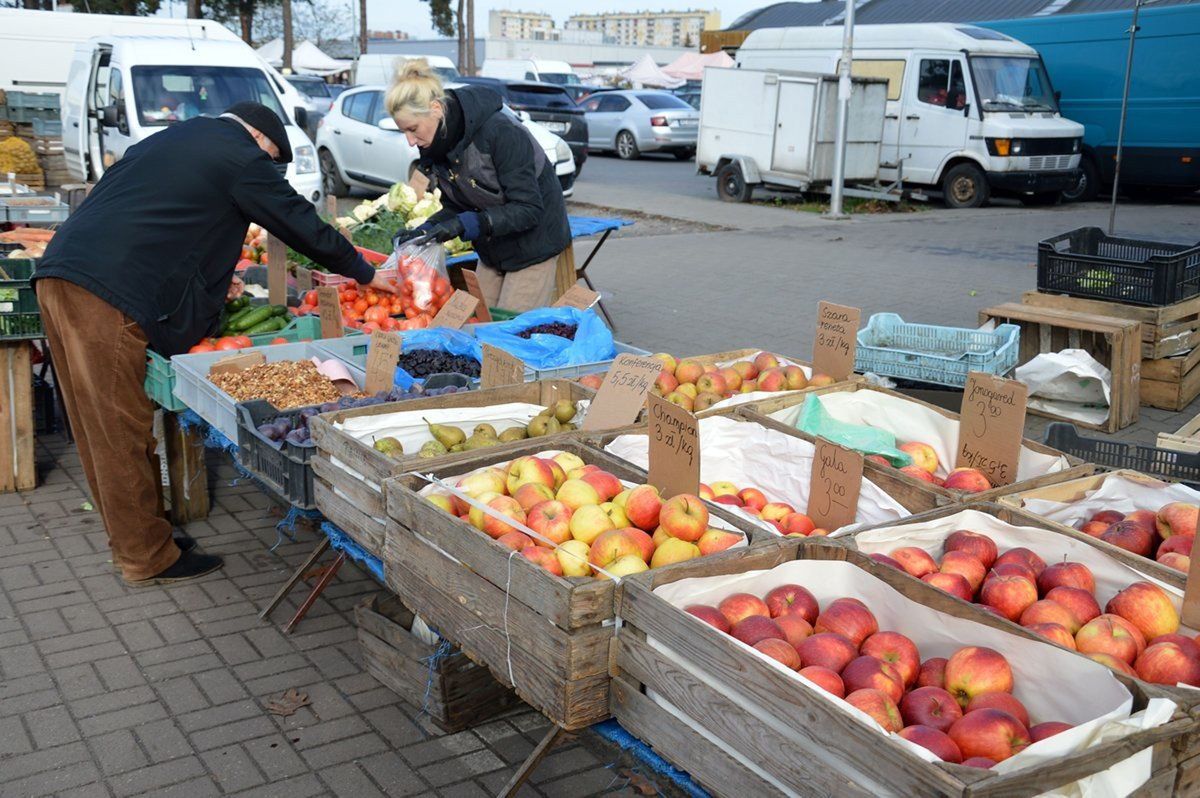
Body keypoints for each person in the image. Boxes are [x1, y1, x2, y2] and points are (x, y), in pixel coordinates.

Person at [34, 102, 393, 587]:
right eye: (272, 159)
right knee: (118, 433)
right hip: (104, 295)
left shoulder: (177, 137)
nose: (268, 168)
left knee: (95, 426)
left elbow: (165, 225)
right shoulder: (240, 155)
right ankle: (146, 557)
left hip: (63, 275)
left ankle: (142, 538)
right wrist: (364, 271)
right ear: (261, 141)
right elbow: (297, 221)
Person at [387, 60, 570, 312]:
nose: (410, 141)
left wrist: (467, 224)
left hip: (534, 244)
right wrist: (426, 230)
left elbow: (528, 209)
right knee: (476, 319)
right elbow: (455, 205)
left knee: (507, 326)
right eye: (404, 132)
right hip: (493, 247)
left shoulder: (500, 133)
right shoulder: (437, 144)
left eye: (413, 129)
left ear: (436, 108)